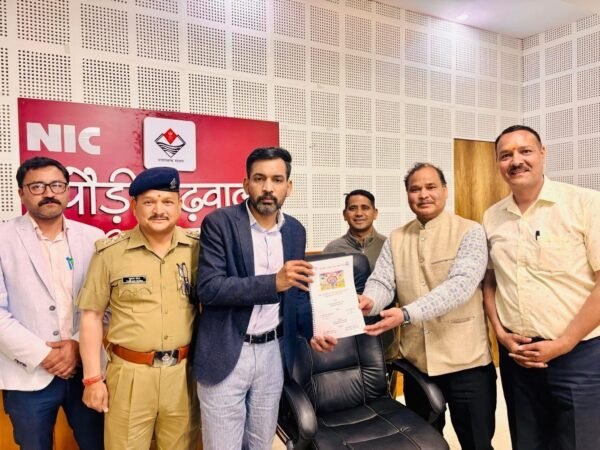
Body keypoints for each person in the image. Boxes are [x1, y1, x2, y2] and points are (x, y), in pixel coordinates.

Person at [194, 147, 335, 450]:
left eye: (277, 179)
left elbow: (296, 294)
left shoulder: (295, 231)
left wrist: (313, 331)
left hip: (273, 352)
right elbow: (209, 288)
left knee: (261, 443)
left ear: (288, 186)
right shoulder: (219, 223)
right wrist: (274, 283)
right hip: (227, 351)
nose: (268, 187)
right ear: (246, 184)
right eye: (259, 179)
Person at [360, 163, 496, 450]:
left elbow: (460, 286)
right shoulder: (397, 238)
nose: (423, 194)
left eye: (431, 187)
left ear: (445, 191)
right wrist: (369, 301)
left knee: (477, 443)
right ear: (408, 195)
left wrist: (406, 314)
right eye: (415, 189)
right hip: (417, 365)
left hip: (466, 363)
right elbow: (383, 282)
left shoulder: (470, 231)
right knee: (424, 443)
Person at [483, 125, 600, 450]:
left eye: (525, 151)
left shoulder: (586, 203)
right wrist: (500, 334)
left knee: (579, 442)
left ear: (543, 154)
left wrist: (564, 342)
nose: (515, 161)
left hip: (579, 356)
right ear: (498, 164)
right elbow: (490, 281)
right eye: (505, 155)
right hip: (518, 357)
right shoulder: (492, 216)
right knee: (527, 442)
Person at [78, 167, 200, 449]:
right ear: (134, 207)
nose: (159, 210)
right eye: (149, 202)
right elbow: (92, 316)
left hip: (183, 375)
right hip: (130, 376)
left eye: (167, 201)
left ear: (180, 205)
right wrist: (92, 379)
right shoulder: (110, 253)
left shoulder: (199, 249)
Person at [0, 156, 104, 450]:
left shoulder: (94, 239)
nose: (49, 193)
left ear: (67, 191)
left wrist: (76, 345)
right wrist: (43, 354)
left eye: (56, 185)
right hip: (27, 373)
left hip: (88, 370)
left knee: (98, 443)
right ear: (21, 193)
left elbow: (105, 304)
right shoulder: (3, 238)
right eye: (37, 186)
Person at [323, 189, 386, 272]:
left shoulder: (387, 246)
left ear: (375, 213)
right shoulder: (332, 249)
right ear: (344, 214)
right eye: (352, 208)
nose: (359, 213)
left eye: (365, 208)